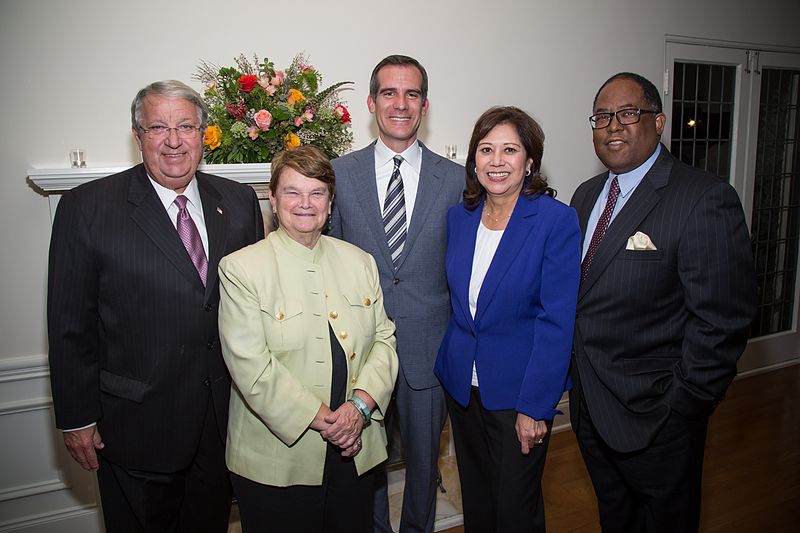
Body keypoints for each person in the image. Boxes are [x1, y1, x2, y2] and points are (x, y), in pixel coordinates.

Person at [47, 80, 265, 532]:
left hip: (220, 424)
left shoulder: (240, 203)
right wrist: (76, 417)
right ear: (137, 134)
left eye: (186, 126)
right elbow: (70, 325)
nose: (173, 140)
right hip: (136, 428)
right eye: (158, 127)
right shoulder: (87, 208)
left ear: (204, 134)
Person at [569, 72, 757, 532]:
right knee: (615, 518)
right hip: (592, 409)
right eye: (602, 117)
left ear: (659, 121)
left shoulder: (703, 199)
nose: (613, 126)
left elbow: (724, 321)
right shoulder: (586, 196)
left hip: (658, 418)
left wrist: (682, 406)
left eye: (628, 113)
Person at [217, 145, 399, 533]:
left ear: (330, 202)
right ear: (273, 198)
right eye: (292, 192)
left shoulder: (359, 261)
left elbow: (385, 340)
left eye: (317, 192)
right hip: (277, 461)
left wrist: (359, 410)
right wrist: (330, 422)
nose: (305, 203)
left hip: (356, 448)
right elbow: (252, 368)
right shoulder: (241, 269)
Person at [329, 54, 464, 533]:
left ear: (424, 106)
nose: (400, 104)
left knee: (425, 467)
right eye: (389, 93)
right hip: (362, 349)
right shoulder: (339, 176)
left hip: (430, 348)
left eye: (411, 94)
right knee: (364, 465)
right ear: (372, 102)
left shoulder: (457, 179)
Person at [434, 106, 581, 532]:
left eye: (509, 150)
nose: (496, 161)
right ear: (473, 159)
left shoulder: (555, 221)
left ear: (529, 160)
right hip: (464, 387)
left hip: (519, 395)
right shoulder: (459, 217)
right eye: (486, 149)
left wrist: (536, 407)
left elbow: (557, 322)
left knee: (516, 511)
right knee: (477, 504)